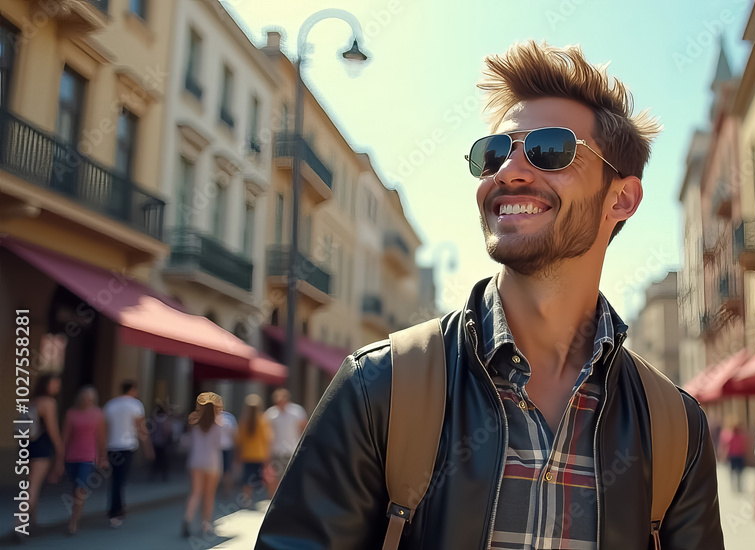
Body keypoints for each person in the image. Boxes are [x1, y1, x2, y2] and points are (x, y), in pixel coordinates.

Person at [256, 40, 724, 549]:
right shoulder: (379, 387)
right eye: (494, 153)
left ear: (622, 197)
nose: (507, 172)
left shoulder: (676, 427)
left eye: (549, 149)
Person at [103, 380, 153, 527]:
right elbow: (141, 429)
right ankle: (115, 511)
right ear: (133, 390)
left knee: (115, 479)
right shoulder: (135, 405)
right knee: (120, 480)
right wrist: (148, 448)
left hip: (112, 446)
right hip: (126, 447)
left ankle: (118, 507)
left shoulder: (110, 405)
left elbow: (104, 427)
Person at [62, 386, 107, 535]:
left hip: (88, 457)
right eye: (86, 398)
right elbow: (65, 437)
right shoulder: (71, 413)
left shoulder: (97, 414)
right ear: (80, 398)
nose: (89, 401)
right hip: (71, 456)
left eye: (91, 399)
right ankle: (74, 514)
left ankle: (73, 522)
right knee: (74, 488)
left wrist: (103, 457)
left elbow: (101, 437)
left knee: (81, 489)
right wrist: (59, 460)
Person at [22, 373, 64, 535]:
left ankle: (33, 521)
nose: (58, 386)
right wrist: (60, 449)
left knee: (31, 482)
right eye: (55, 383)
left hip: (27, 445)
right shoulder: (49, 402)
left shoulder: (31, 401)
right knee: (33, 486)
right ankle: (20, 523)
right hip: (41, 446)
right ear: (47, 384)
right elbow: (53, 430)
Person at [183, 392, 225, 538]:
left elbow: (189, 443)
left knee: (195, 493)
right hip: (212, 463)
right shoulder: (218, 426)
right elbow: (219, 446)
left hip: (196, 461)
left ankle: (187, 519)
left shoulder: (194, 426)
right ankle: (206, 525)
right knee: (209, 495)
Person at [262, 388, 306, 498]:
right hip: (275, 451)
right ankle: (273, 501)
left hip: (292, 450)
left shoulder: (297, 412)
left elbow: (304, 430)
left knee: (291, 478)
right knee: (273, 479)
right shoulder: (270, 414)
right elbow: (266, 436)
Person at [236, 394, 272, 508]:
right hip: (260, 454)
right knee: (267, 479)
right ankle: (270, 499)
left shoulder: (243, 421)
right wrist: (268, 456)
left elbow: (238, 440)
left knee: (247, 480)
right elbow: (268, 439)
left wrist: (238, 455)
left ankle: (247, 500)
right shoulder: (263, 420)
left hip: (247, 455)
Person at [718, 417, 748, 493]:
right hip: (735, 456)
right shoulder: (729, 435)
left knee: (738, 472)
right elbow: (725, 446)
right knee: (735, 472)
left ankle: (737, 486)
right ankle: (735, 486)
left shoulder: (736, 435)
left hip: (737, 456)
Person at [148, 399, 174, 482]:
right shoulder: (166, 419)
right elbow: (168, 431)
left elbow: (150, 430)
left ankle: (154, 474)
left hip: (154, 442)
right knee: (164, 460)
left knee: (156, 460)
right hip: (163, 443)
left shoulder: (153, 419)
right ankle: (164, 475)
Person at [219, 407, 238, 497]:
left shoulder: (229, 417)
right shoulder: (210, 417)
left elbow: (234, 434)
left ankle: (227, 490)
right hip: (215, 449)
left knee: (227, 470)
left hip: (227, 447)